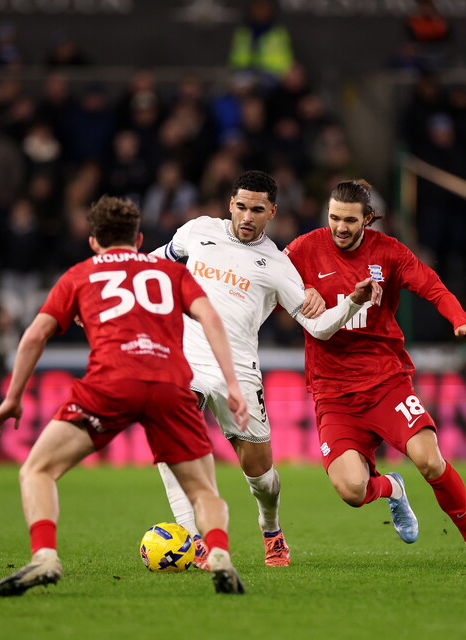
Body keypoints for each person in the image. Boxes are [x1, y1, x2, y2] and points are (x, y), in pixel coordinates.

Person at [0, 195, 249, 596]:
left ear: (93, 241)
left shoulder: (80, 274)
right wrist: (232, 383)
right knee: (203, 492)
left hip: (112, 383)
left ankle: (45, 557)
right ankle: (218, 554)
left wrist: (13, 397)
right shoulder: (169, 271)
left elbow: (36, 334)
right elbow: (210, 317)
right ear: (139, 239)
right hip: (169, 385)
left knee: (37, 470)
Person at [150, 170, 381, 569]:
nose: (247, 216)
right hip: (188, 359)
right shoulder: (197, 231)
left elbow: (319, 327)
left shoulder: (278, 265)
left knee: (261, 476)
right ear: (230, 204)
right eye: (241, 206)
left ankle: (271, 529)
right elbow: (153, 262)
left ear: (271, 212)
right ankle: (192, 538)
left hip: (238, 370)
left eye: (257, 210)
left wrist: (352, 303)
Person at [282, 179, 466, 568]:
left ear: (367, 219)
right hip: (333, 393)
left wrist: (460, 319)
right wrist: (299, 291)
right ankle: (392, 488)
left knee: (430, 461)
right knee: (352, 490)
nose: (340, 227)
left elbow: (432, 286)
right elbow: (268, 282)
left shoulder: (388, 252)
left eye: (350, 220)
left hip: (386, 383)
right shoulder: (303, 249)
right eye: (334, 218)